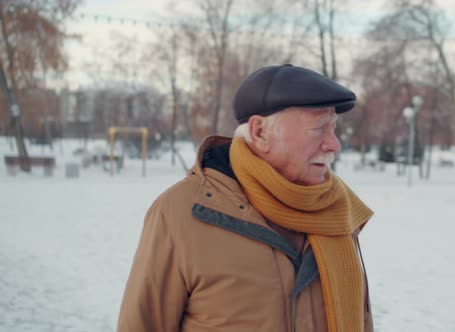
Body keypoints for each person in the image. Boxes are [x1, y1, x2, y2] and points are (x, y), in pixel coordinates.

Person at [118, 64, 374, 332]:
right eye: (320, 128)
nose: (334, 144)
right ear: (260, 132)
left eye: (333, 129)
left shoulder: (336, 213)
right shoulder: (180, 213)